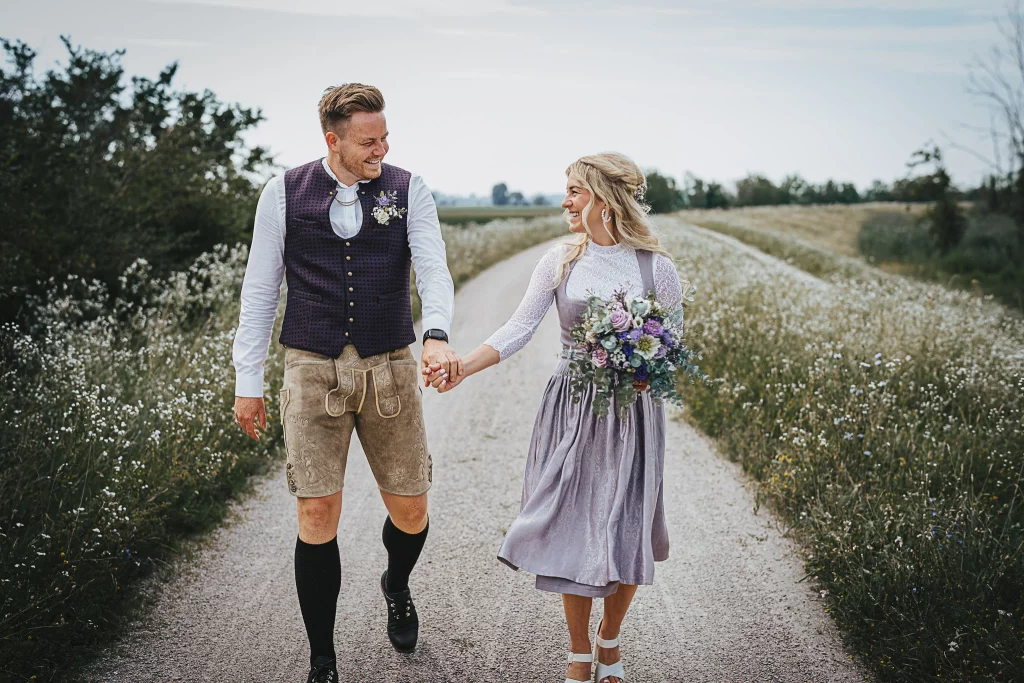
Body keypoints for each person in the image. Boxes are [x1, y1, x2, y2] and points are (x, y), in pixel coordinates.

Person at [231, 83, 461, 683]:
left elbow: (433, 266)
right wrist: (246, 378)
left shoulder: (410, 189)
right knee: (316, 513)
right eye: (368, 141)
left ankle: (397, 582)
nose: (381, 148)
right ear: (331, 140)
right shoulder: (282, 193)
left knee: (411, 509)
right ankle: (322, 659)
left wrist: (435, 330)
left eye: (385, 137)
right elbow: (259, 291)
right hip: (311, 365)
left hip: (390, 363)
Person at [424, 153, 682, 683]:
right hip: (573, 406)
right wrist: (462, 368)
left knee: (627, 525)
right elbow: (518, 329)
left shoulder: (657, 268)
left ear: (605, 200)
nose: (564, 201)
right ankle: (577, 652)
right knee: (572, 524)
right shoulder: (560, 261)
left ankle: (609, 640)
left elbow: (672, 344)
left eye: (574, 191)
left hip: (632, 413)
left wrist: (642, 363)